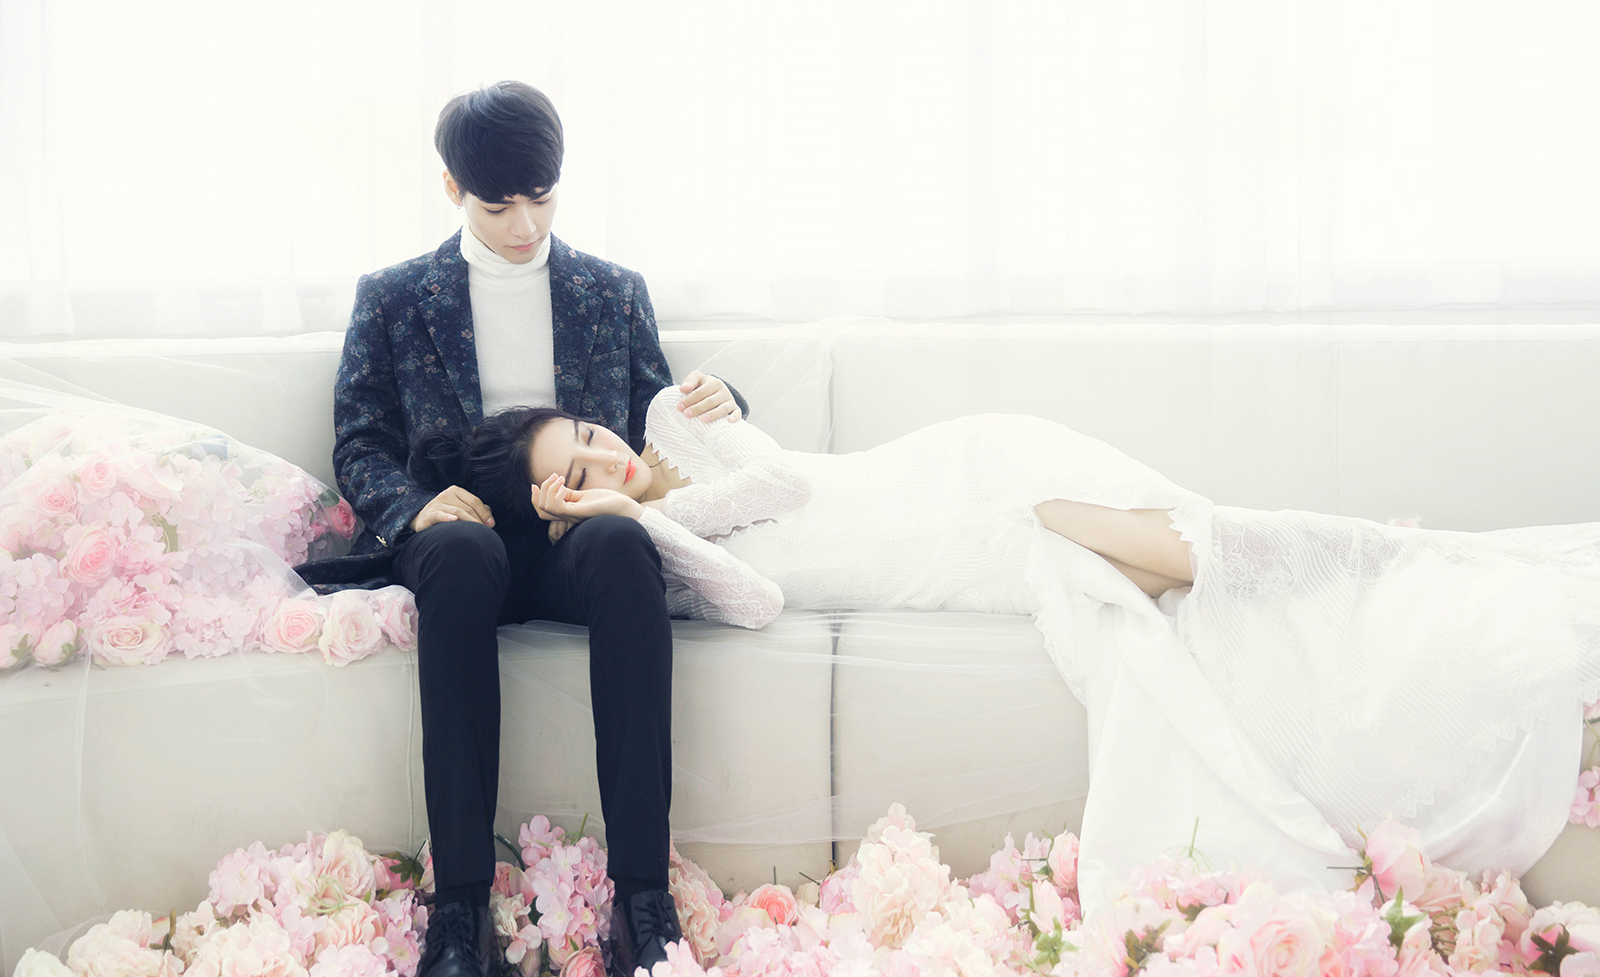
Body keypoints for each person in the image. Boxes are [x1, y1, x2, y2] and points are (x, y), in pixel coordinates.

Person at [422, 383, 1600, 917]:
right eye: (574, 475)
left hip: (969, 477)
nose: (604, 459)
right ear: (556, 511)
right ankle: (1391, 581)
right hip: (965, 545)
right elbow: (760, 595)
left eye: (588, 436)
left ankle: (1392, 577)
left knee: (1194, 553)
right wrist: (631, 519)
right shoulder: (660, 551)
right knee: (1183, 578)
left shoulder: (671, 434)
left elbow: (780, 481)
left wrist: (666, 454)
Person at [319, 82, 748, 977]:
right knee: (460, 548)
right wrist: (414, 507)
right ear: (453, 189)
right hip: (460, 540)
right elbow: (360, 441)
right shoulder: (393, 298)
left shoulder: (612, 292)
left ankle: (643, 898)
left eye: (542, 198)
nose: (524, 224)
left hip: (573, 542)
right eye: (497, 205)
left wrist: (724, 399)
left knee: (623, 540)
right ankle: (460, 910)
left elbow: (659, 425)